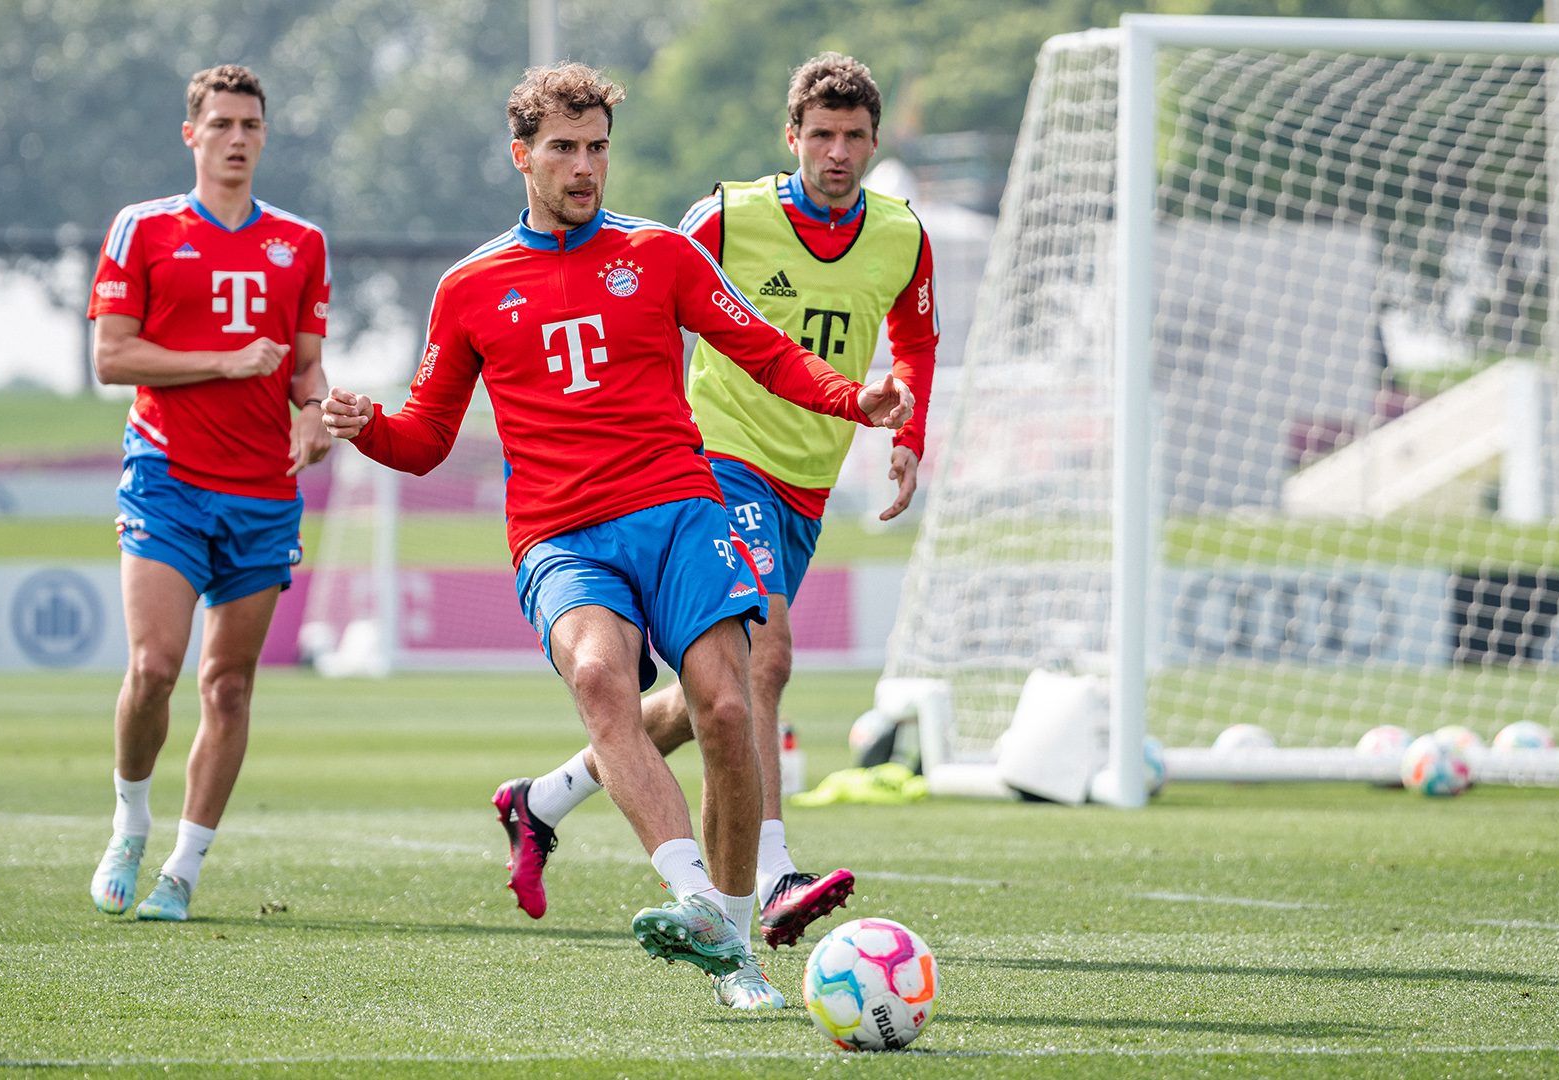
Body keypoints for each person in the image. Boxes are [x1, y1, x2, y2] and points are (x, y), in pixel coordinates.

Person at [319, 63, 910, 1009]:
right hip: (561, 535)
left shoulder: (664, 256)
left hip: (680, 510)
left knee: (723, 709)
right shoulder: (470, 286)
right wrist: (367, 425)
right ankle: (705, 912)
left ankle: (732, 934)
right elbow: (426, 440)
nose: (585, 166)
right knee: (600, 676)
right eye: (563, 149)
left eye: (597, 148)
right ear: (522, 156)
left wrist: (859, 398)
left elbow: (765, 351)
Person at [493, 52, 937, 951]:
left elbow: (915, 340)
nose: (838, 152)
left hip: (808, 482)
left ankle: (541, 800)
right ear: (792, 138)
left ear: (876, 143)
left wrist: (908, 431)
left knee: (715, 700)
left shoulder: (902, 234)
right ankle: (771, 873)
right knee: (763, 664)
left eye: (855, 137)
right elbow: (654, 298)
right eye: (822, 135)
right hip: (718, 464)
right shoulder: (724, 217)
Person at [85, 64, 332, 922]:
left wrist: (312, 418)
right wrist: (220, 363)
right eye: (221, 123)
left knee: (227, 687)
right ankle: (129, 820)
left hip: (264, 492)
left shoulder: (301, 242)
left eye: (250, 125)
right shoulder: (143, 229)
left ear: (264, 136)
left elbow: (306, 367)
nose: (236, 138)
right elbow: (112, 356)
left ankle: (182, 872)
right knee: (153, 668)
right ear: (191, 134)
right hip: (166, 480)